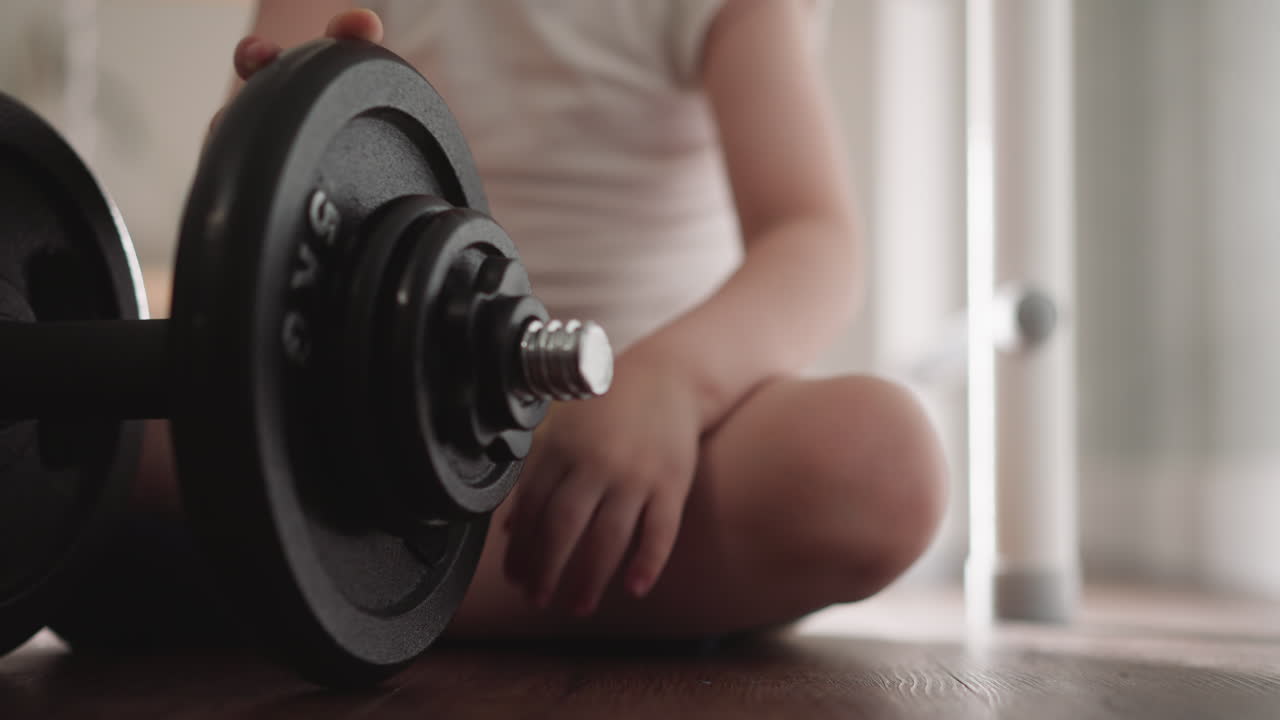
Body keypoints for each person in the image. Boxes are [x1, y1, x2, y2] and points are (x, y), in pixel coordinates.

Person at [216, 1, 946, 639]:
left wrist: (677, 380)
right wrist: (260, 140)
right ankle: (365, 583)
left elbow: (811, 235)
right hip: (377, 432)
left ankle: (333, 583)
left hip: (659, 452)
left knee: (883, 464)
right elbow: (251, 202)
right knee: (132, 430)